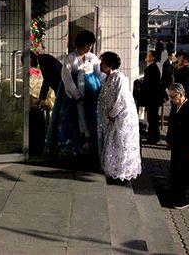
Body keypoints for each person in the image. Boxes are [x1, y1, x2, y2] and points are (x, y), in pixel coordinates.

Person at [45, 30, 104, 160]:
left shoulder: (93, 58)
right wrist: (76, 94)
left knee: (90, 118)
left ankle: (87, 148)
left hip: (89, 93)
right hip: (71, 94)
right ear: (80, 44)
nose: (89, 48)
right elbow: (66, 77)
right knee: (69, 118)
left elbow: (99, 75)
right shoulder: (70, 58)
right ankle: (68, 147)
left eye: (90, 45)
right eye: (86, 45)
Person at [97, 52, 142, 183]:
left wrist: (112, 113)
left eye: (103, 63)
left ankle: (122, 173)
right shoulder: (107, 78)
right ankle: (112, 171)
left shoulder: (120, 78)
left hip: (122, 118)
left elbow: (122, 98)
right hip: (113, 118)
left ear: (109, 65)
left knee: (121, 143)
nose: (100, 65)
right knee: (113, 143)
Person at [166, 83, 189, 208]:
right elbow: (171, 123)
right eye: (170, 96)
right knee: (175, 171)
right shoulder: (175, 107)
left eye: (173, 96)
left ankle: (184, 198)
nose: (171, 99)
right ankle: (174, 195)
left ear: (180, 95)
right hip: (177, 144)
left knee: (185, 173)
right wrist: (169, 139)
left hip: (186, 146)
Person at [141, 51, 164, 144]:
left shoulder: (152, 68)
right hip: (153, 98)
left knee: (152, 118)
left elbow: (150, 85)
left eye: (148, 55)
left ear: (153, 58)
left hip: (152, 98)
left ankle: (153, 137)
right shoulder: (153, 68)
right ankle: (154, 136)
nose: (146, 56)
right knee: (153, 118)